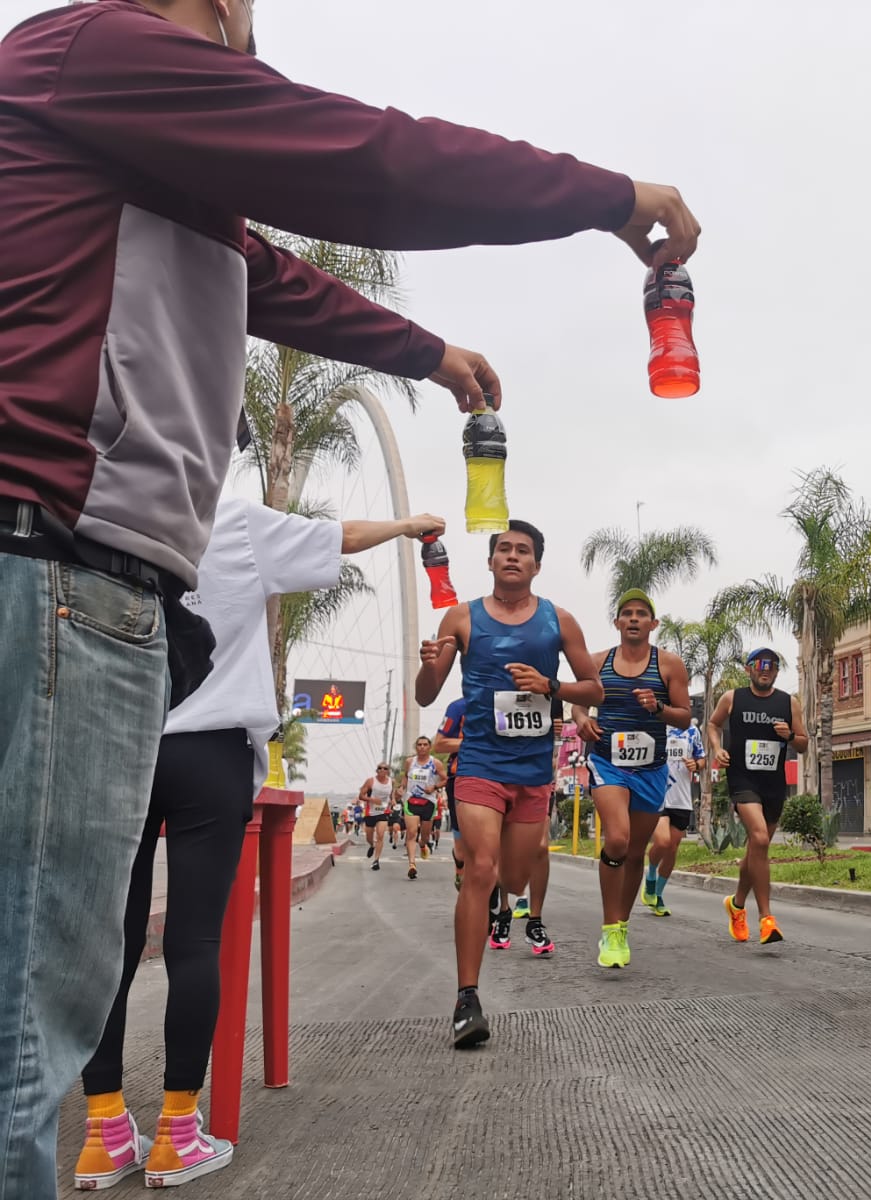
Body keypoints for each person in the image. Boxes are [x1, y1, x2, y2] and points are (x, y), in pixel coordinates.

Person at [0, 0, 697, 1183]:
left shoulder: (145, 158)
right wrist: (609, 197)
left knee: (46, 989)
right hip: (57, 565)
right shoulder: (103, 49)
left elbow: (274, 281)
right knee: (29, 1007)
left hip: (93, 591)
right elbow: (369, 159)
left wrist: (429, 355)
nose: (257, 43)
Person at [71, 500, 444, 1190]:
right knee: (195, 943)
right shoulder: (234, 522)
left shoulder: (103, 512)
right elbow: (344, 538)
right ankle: (178, 1132)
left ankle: (102, 1132)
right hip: (210, 752)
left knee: (106, 941)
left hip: (117, 744)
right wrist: (407, 527)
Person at [415, 521, 602, 1047]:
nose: (513, 557)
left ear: (537, 564)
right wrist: (430, 668)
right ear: (492, 561)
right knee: (481, 867)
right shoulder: (463, 617)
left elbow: (596, 689)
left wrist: (552, 686)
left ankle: (499, 902)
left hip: (533, 772)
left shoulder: (557, 620)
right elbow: (427, 696)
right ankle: (466, 998)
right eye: (504, 549)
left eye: (523, 551)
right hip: (479, 765)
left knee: (513, 881)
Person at [569, 591, 693, 968]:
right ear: (618, 623)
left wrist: (657, 708)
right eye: (627, 614)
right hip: (607, 763)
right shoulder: (597, 662)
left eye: (642, 614)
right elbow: (578, 701)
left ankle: (621, 925)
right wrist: (582, 720)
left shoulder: (669, 665)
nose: (635, 619)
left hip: (652, 769)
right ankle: (609, 927)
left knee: (635, 851)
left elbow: (684, 717)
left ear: (653, 624)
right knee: (618, 838)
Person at [706, 648, 808, 947]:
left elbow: (803, 744)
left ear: (777, 672)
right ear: (749, 669)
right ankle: (767, 919)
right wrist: (717, 747)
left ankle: (736, 905)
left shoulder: (789, 703)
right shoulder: (733, 698)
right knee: (761, 839)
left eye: (772, 666)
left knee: (755, 851)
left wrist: (789, 735)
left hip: (773, 783)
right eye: (760, 665)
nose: (766, 670)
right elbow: (712, 724)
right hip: (742, 778)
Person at [642, 721, 706, 916]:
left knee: (672, 848)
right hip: (658, 793)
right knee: (662, 841)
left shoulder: (692, 730)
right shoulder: (653, 725)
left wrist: (695, 764)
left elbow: (701, 759)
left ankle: (658, 895)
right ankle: (651, 876)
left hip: (682, 798)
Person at [435, 698, 468, 890]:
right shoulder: (458, 707)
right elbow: (439, 744)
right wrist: (477, 744)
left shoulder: (510, 701)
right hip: (461, 777)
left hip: (499, 777)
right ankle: (459, 864)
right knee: (463, 850)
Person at [402, 736, 443, 880]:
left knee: (425, 836)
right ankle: (412, 864)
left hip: (428, 802)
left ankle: (423, 844)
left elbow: (445, 779)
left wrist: (434, 787)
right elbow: (406, 777)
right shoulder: (409, 762)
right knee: (411, 833)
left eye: (425, 744)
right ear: (416, 747)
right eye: (419, 744)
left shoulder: (435, 763)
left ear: (429, 747)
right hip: (412, 800)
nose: (422, 747)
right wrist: (402, 788)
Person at [360, 764, 393, 870]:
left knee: (380, 835)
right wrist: (372, 800)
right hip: (371, 812)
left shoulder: (391, 782)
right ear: (377, 770)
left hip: (383, 812)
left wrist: (393, 800)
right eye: (380, 768)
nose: (382, 770)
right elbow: (361, 796)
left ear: (388, 771)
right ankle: (371, 845)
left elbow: (391, 794)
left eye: (385, 768)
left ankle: (376, 860)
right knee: (369, 837)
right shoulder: (370, 781)